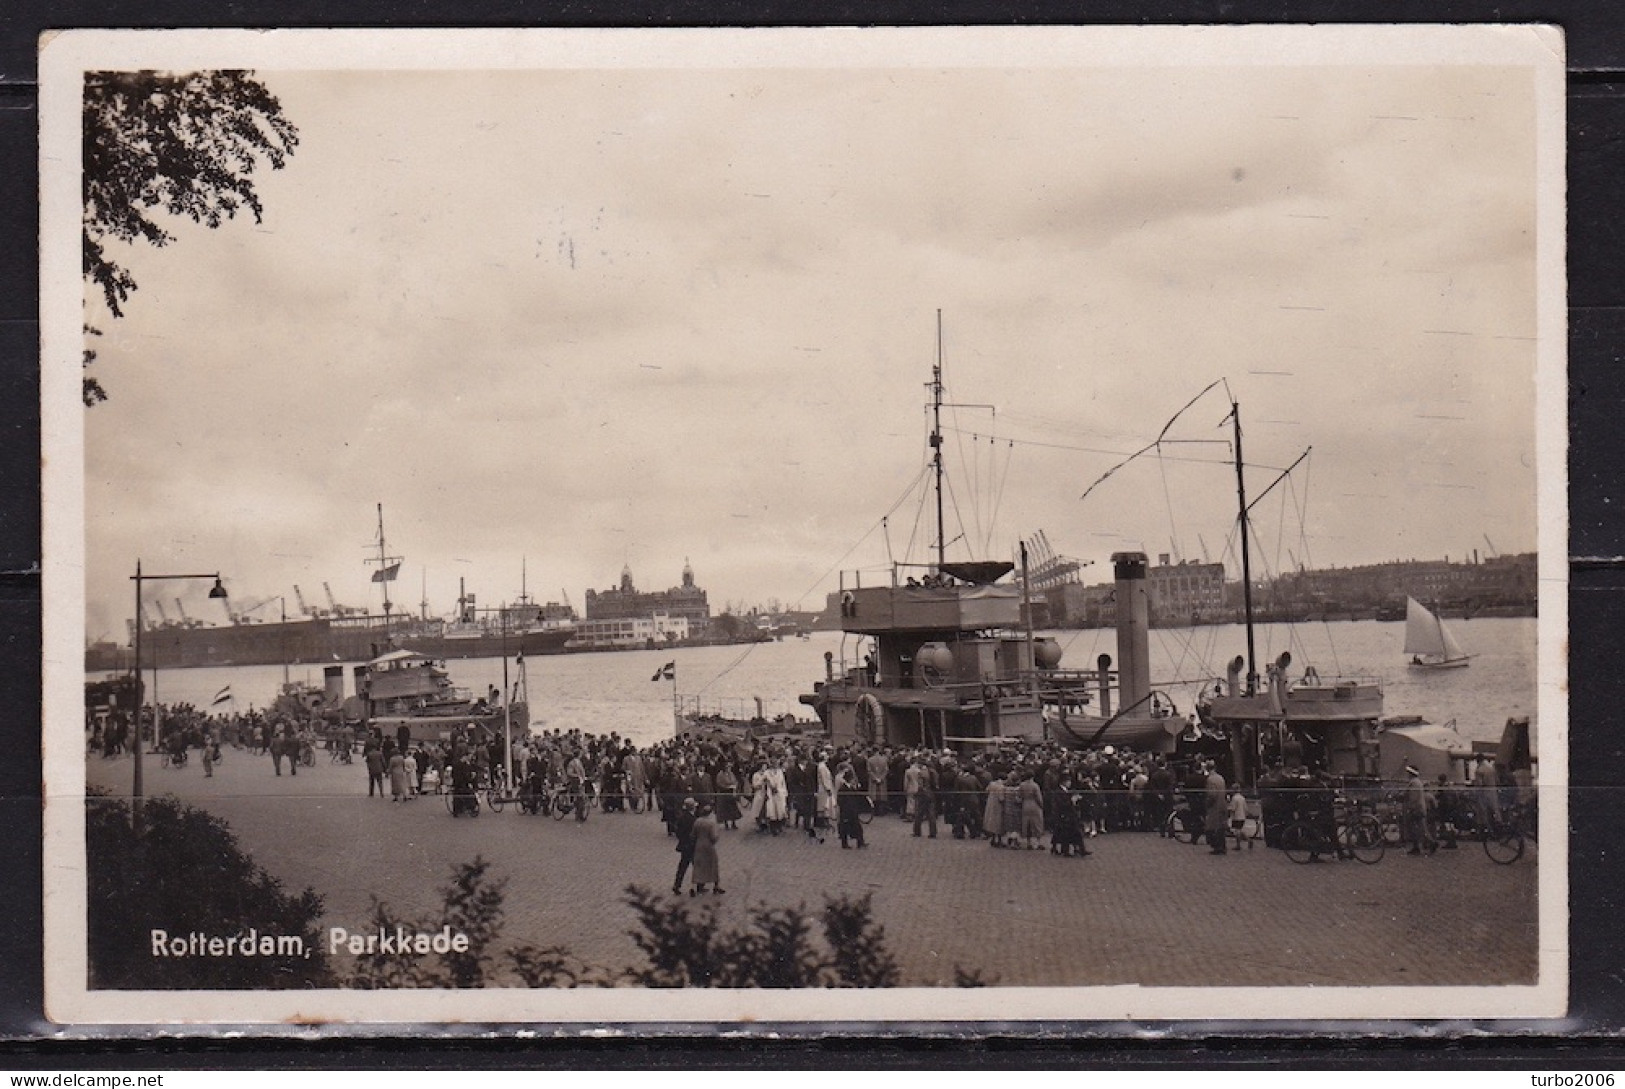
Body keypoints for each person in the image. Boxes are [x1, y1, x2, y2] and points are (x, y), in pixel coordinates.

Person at [689, 803, 724, 896]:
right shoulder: (711, 823)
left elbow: (693, 835)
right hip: (708, 846)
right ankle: (716, 886)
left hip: (699, 845)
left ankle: (697, 886)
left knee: (699, 865)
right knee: (713, 864)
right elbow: (714, 836)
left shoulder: (697, 821)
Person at [1403, 764, 1434, 856]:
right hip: (1419, 808)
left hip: (1416, 808)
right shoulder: (1417, 782)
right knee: (1419, 827)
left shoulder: (1414, 783)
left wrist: (1411, 808)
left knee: (1417, 828)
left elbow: (1413, 797)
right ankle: (1417, 846)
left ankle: (1430, 843)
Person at [836, 762, 867, 849]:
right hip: (846, 812)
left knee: (857, 827)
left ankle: (860, 842)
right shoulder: (843, 789)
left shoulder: (851, 788)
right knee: (845, 828)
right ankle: (845, 844)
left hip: (852, 811)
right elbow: (841, 801)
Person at [673, 797, 699, 895]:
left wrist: (682, 840)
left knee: (682, 866)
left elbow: (678, 831)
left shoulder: (681, 818)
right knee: (696, 866)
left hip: (684, 845)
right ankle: (697, 886)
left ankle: (677, 884)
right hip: (692, 846)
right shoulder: (694, 819)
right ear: (693, 808)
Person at [1204, 761, 1229, 855]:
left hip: (1215, 806)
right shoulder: (1220, 778)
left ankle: (1217, 847)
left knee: (1213, 827)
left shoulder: (1210, 779)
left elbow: (1212, 794)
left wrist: (1207, 803)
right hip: (1222, 804)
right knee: (1221, 827)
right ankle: (1222, 846)